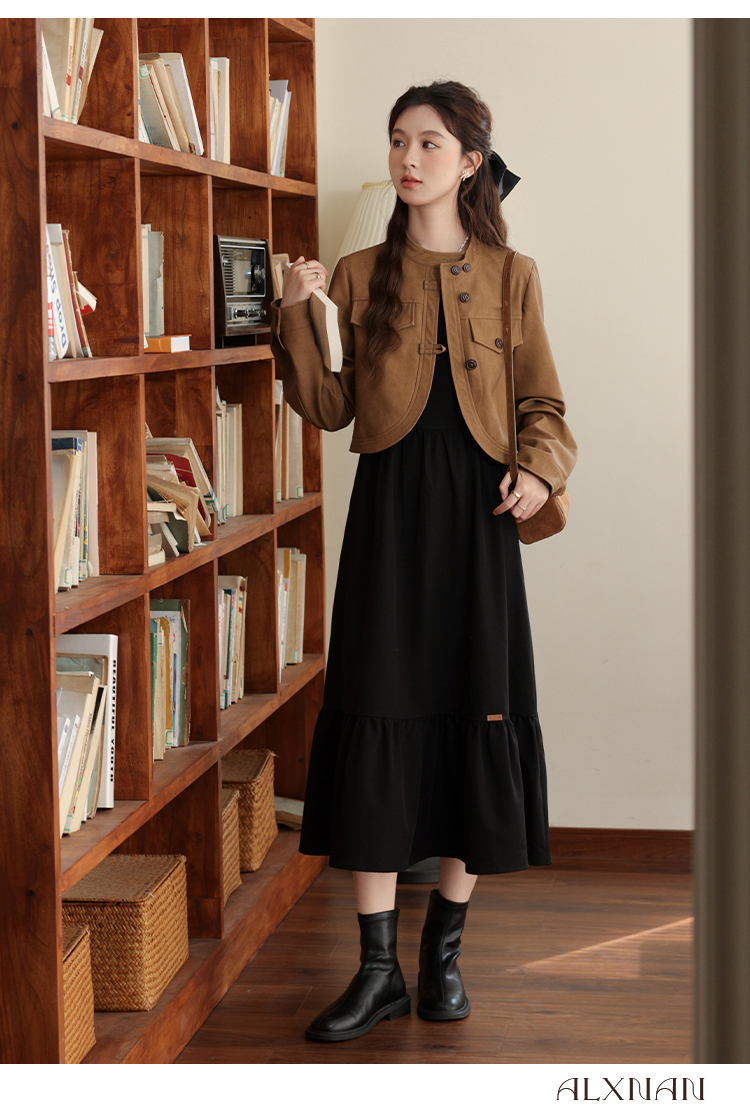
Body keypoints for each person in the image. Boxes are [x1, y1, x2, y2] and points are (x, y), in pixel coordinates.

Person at [270, 79, 577, 1043]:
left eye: (429, 142)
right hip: (391, 516)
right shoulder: (360, 272)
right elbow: (328, 408)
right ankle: (376, 972)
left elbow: (544, 404)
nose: (408, 158)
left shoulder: (513, 273)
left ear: (471, 161)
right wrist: (298, 312)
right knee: (377, 708)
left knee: (474, 709)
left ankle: (442, 957)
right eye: (398, 140)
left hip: (480, 520)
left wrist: (540, 471)